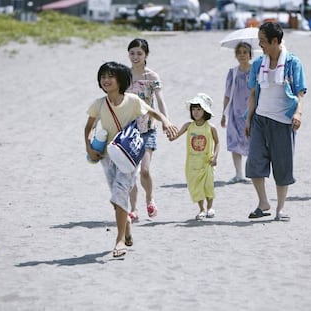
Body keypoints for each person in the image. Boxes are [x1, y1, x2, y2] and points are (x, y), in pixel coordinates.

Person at [84, 62, 177, 258]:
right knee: (117, 200)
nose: (106, 80)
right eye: (103, 77)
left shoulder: (133, 101)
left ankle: (119, 241)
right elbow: (89, 127)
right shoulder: (99, 104)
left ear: (121, 79)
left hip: (128, 156)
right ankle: (126, 227)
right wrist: (89, 146)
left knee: (119, 195)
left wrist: (166, 121)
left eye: (110, 76)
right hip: (107, 157)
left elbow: (152, 112)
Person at [245, 22, 306, 221]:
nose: (260, 45)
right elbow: (253, 93)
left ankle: (280, 209)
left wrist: (298, 114)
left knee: (282, 166)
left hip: (283, 121)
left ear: (275, 41)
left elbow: (300, 93)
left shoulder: (292, 63)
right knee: (254, 163)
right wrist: (248, 120)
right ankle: (263, 203)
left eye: (263, 41)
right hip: (260, 120)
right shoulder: (257, 64)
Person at [126, 38, 170, 222]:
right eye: (132, 53)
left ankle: (149, 198)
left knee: (144, 170)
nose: (135, 57)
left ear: (146, 55)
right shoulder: (124, 75)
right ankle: (133, 209)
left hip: (148, 129)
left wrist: (166, 121)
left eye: (139, 53)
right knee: (130, 172)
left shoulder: (152, 77)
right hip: (128, 130)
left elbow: (160, 100)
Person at [169, 93, 220, 220]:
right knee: (196, 186)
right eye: (194, 109)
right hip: (192, 163)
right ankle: (201, 209)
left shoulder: (211, 127)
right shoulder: (188, 126)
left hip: (207, 162)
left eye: (199, 109)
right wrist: (170, 134)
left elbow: (217, 142)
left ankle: (210, 207)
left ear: (205, 111)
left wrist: (215, 157)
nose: (196, 112)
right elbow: (175, 136)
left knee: (208, 185)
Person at [221, 42, 251, 184]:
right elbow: (227, 94)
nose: (242, 55)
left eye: (245, 52)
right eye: (239, 52)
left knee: (253, 143)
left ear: (250, 55)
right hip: (235, 112)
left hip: (252, 113)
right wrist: (223, 114)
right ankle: (239, 173)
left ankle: (252, 172)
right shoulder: (233, 72)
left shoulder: (255, 71)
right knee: (235, 142)